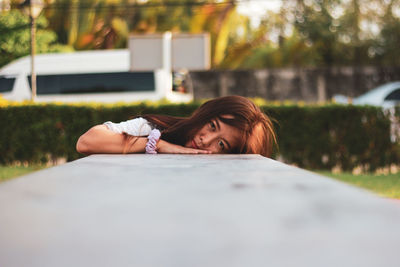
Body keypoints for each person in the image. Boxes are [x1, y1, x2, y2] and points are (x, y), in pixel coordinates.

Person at [76, 95, 277, 157]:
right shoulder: (153, 128)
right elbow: (86, 142)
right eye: (212, 126)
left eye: (222, 144)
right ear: (204, 114)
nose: (205, 140)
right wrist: (157, 145)